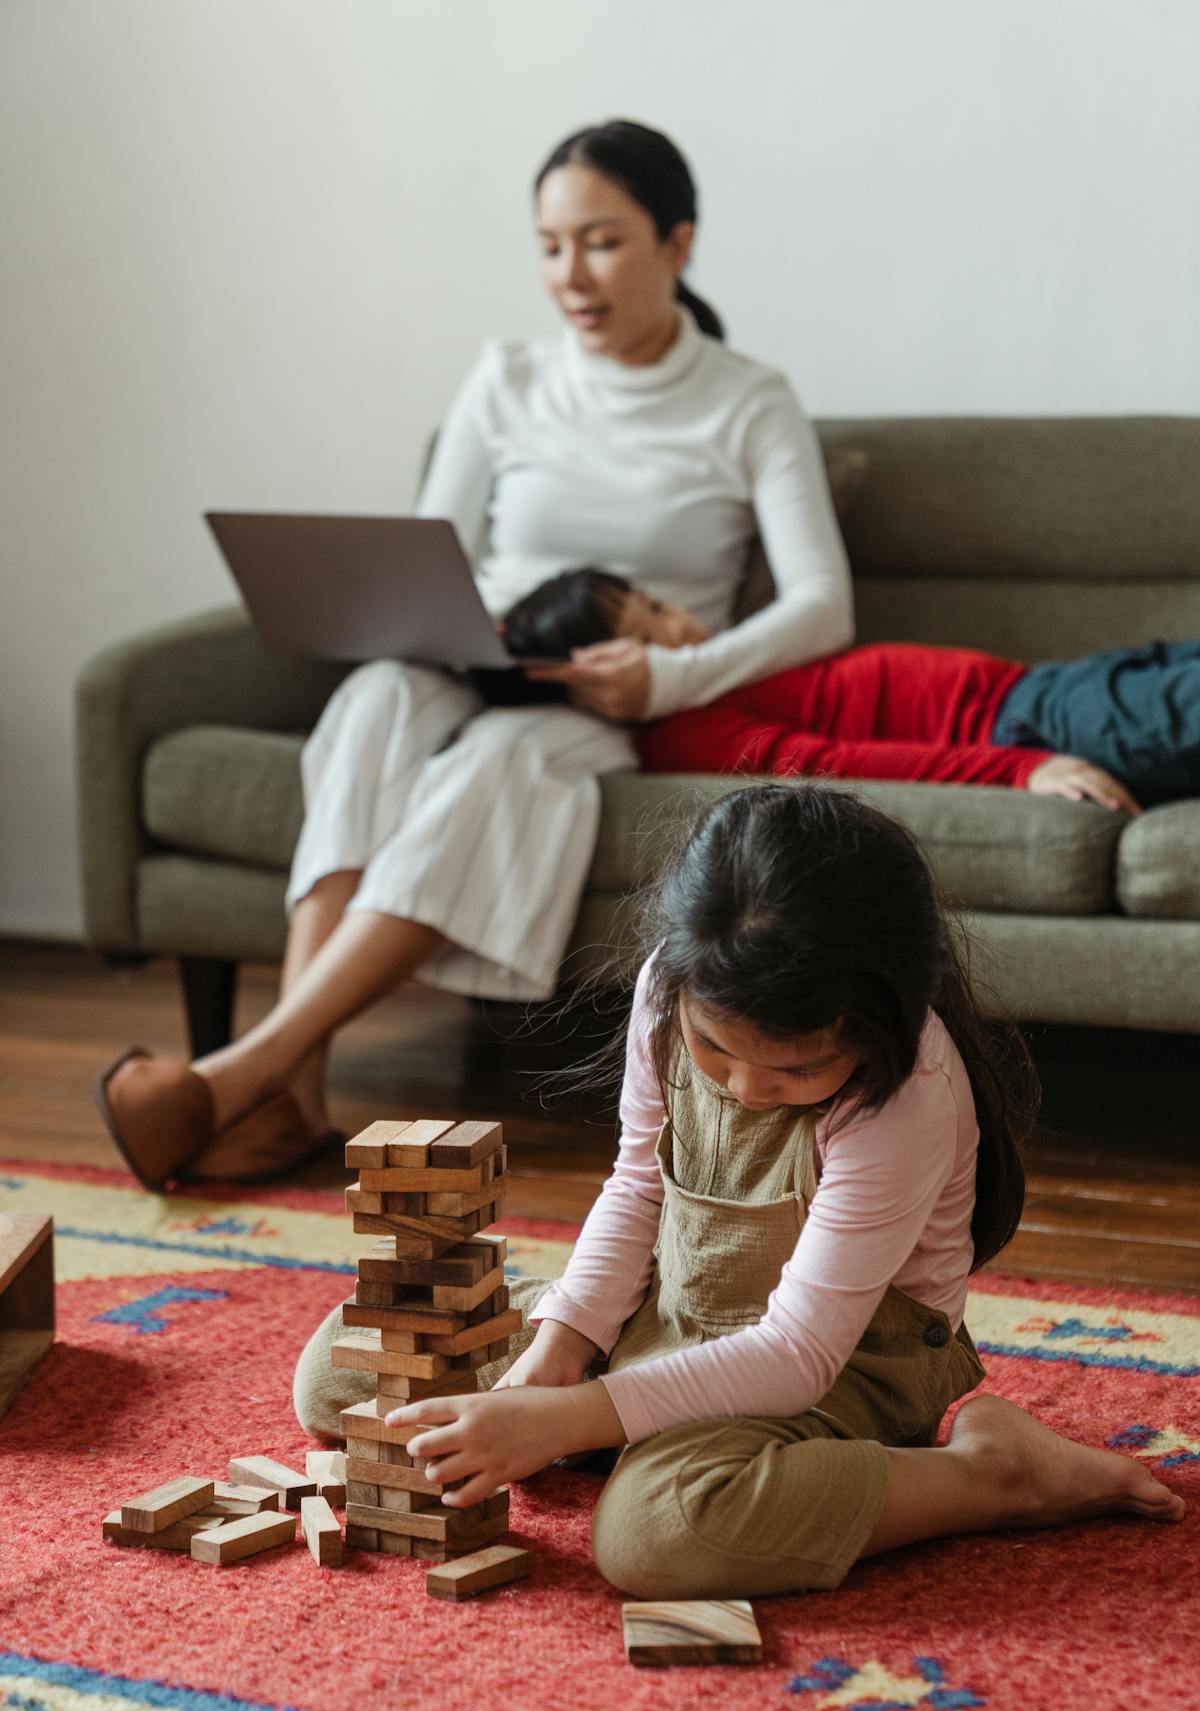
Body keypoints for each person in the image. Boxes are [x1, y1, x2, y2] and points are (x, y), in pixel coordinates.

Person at [93, 118, 852, 1190]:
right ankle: (293, 1098)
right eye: (549, 247)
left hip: (606, 695)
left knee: (503, 762)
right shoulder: (504, 378)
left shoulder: (746, 399)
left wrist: (666, 676)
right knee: (372, 703)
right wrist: (434, 630)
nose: (569, 276)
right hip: (476, 650)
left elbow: (824, 606)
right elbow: (430, 547)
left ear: (678, 244)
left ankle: (238, 1080)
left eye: (601, 242)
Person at [292, 786, 1185, 1599]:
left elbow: (798, 1354)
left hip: (845, 1365)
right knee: (342, 1368)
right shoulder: (667, 989)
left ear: (882, 1019)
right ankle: (635, 1427)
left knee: (658, 1535)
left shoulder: (909, 1093)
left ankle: (990, 1474)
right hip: (674, 1315)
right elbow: (638, 1187)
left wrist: (562, 1420)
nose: (748, 1090)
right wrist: (553, 1357)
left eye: (798, 1067)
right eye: (716, 1051)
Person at [504, 566, 1200, 811]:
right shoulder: (685, 731)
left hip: (1051, 686)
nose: (677, 618)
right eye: (651, 624)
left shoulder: (723, 667)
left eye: (656, 601)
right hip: (1031, 724)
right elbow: (839, 766)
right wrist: (1024, 769)